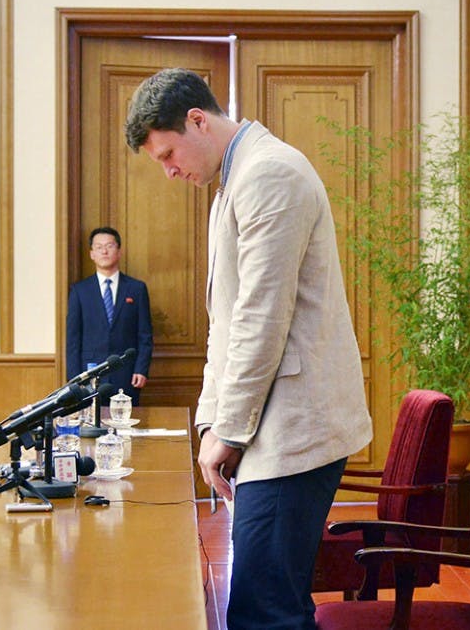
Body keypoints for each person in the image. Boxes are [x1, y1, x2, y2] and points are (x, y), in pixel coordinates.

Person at [124, 68, 372, 630]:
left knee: (264, 612)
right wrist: (211, 424)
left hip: (294, 428)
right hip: (269, 423)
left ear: (197, 121)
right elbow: (226, 324)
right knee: (272, 606)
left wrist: (229, 432)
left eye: (168, 155)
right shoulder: (233, 182)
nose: (169, 171)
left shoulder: (269, 172)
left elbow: (262, 320)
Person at [66, 226, 153, 406]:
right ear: (92, 254)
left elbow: (145, 335)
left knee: (126, 421)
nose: (104, 251)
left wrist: (141, 369)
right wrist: (75, 379)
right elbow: (73, 339)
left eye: (109, 246)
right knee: (91, 421)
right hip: (90, 375)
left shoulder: (136, 289)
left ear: (119, 251)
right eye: (99, 247)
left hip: (127, 375)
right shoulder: (80, 291)